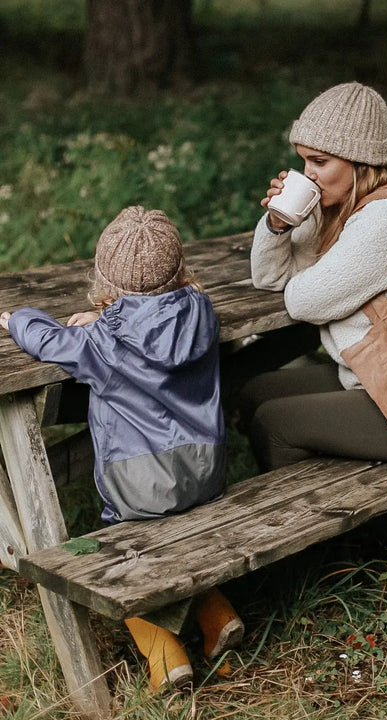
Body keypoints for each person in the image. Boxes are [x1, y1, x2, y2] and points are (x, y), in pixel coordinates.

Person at [0, 206, 244, 690]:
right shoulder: (201, 312)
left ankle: (165, 655)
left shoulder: (101, 342)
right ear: (179, 270)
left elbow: (48, 340)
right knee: (178, 533)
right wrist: (110, 316)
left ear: (107, 282)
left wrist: (18, 317)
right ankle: (216, 614)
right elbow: (159, 319)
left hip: (141, 488)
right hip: (207, 469)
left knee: (122, 559)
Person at [241, 81, 387, 471]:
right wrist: (278, 223)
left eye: (320, 163)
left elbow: (304, 300)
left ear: (360, 161)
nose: (308, 175)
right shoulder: (338, 209)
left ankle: (306, 521)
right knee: (254, 391)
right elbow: (270, 278)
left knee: (274, 423)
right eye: (303, 161)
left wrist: (307, 273)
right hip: (375, 376)